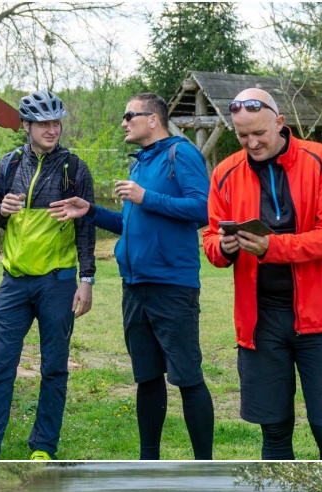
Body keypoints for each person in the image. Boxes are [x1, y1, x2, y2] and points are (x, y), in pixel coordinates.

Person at [55, 92, 213, 460]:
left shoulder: (181, 153)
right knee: (146, 378)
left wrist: (146, 197)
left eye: (130, 115)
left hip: (172, 285)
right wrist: (90, 210)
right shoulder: (140, 162)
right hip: (135, 287)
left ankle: (205, 463)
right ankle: (149, 460)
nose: (124, 122)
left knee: (187, 378)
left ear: (153, 119)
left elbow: (203, 209)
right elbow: (130, 222)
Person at [202, 89, 322, 459]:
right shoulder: (224, 173)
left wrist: (274, 248)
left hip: (320, 317)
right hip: (260, 320)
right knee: (274, 432)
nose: (251, 142)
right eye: (241, 135)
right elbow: (210, 235)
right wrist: (222, 248)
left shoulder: (321, 160)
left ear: (279, 123)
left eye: (259, 134)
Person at [0, 89, 96, 460]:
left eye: (56, 122)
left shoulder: (74, 168)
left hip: (57, 282)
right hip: (14, 283)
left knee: (54, 368)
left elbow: (86, 227)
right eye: (44, 123)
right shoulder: (8, 164)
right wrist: (2, 210)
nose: (52, 129)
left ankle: (43, 446)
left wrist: (86, 280)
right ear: (26, 126)